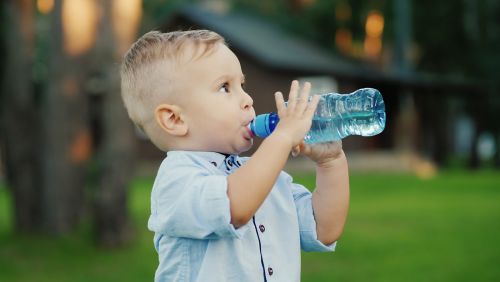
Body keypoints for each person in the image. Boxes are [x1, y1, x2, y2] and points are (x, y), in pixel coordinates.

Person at [120, 30, 349, 282]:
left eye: (242, 85)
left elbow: (324, 228)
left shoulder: (265, 177)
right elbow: (234, 207)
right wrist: (281, 138)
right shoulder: (176, 182)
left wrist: (331, 162)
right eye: (224, 88)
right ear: (175, 119)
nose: (248, 99)